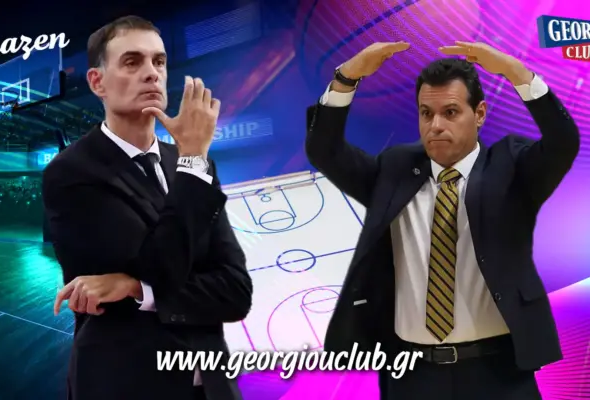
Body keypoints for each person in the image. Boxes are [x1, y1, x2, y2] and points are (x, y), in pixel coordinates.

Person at [305, 41, 579, 400]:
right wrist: (346, 77)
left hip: (499, 374)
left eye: (450, 112)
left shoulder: (511, 167)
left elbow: (562, 142)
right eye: (426, 113)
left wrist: (516, 73)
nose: (435, 125)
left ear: (479, 113)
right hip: (411, 374)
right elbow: (324, 150)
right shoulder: (394, 169)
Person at [42, 16, 252, 400]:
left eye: (159, 61)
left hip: (213, 385)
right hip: (125, 384)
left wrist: (134, 287)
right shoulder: (70, 173)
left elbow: (236, 292)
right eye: (132, 61)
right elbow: (161, 267)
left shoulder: (194, 163)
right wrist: (193, 159)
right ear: (97, 82)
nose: (152, 73)